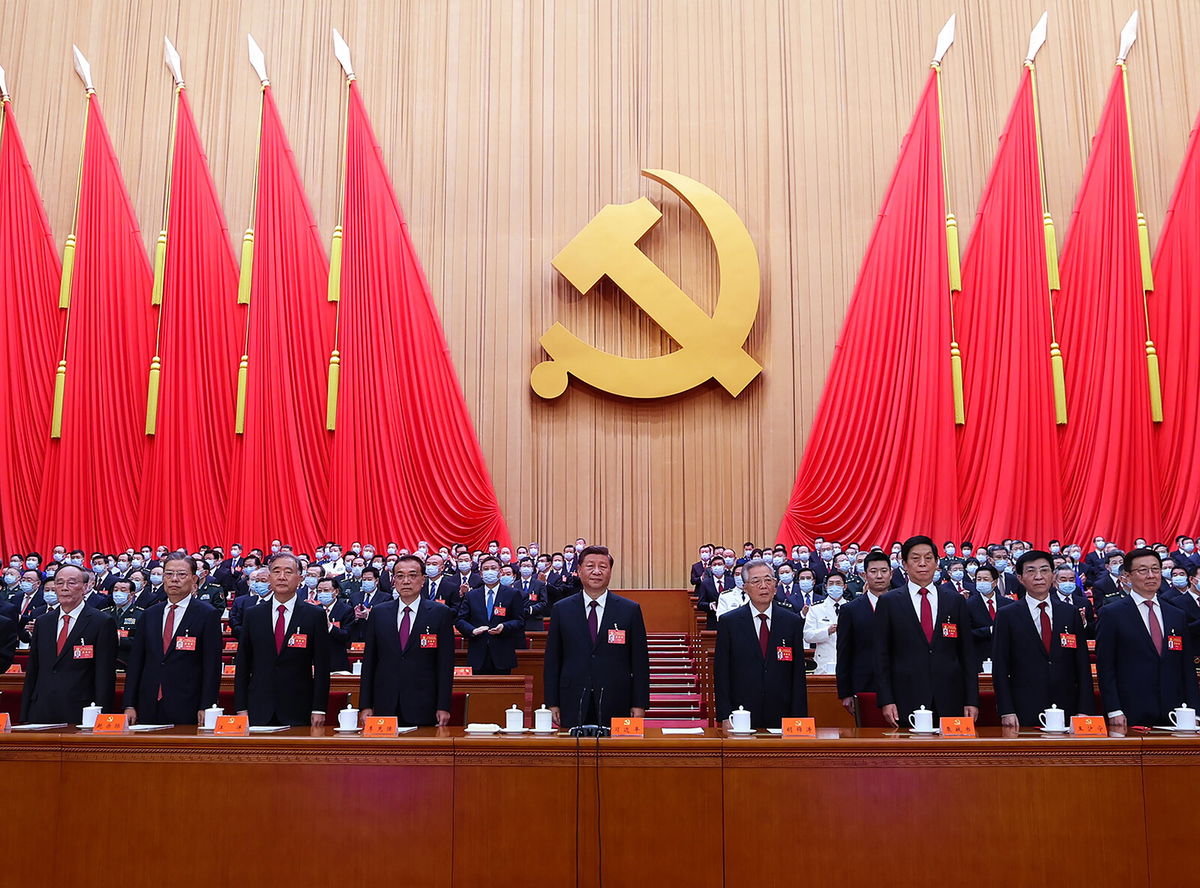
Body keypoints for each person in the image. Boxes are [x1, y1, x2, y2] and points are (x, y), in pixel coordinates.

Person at [874, 536, 979, 726]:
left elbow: (967, 655)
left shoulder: (955, 601)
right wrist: (886, 700)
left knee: (951, 755)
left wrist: (971, 699)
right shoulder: (889, 602)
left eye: (928, 558)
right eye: (915, 558)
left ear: (937, 563)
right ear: (904, 564)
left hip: (951, 696)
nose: (922, 564)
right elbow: (881, 655)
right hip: (906, 696)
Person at [543, 545, 650, 729]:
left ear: (610, 571)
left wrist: (639, 704)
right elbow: (553, 659)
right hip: (572, 698)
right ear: (579, 570)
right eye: (590, 566)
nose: (596, 571)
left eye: (603, 566)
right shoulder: (562, 609)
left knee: (614, 755)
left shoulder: (629, 610)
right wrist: (552, 702)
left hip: (617, 699)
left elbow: (640, 661)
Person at [1096, 548, 1200, 731]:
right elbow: (1106, 667)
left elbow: (1187, 668)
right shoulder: (1112, 614)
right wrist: (1114, 709)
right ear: (1127, 576)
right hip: (1131, 711)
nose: (1151, 575)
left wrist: (1194, 710)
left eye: (1155, 569)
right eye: (1143, 570)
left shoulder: (1176, 614)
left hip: (1175, 712)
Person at [991, 550, 1093, 728]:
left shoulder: (1069, 613)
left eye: (1044, 570)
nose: (1039, 577)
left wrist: (1084, 709)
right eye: (1031, 571)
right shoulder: (1007, 615)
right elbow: (1000, 666)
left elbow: (1082, 665)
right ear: (1020, 578)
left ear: (1053, 576)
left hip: (1067, 704)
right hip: (1024, 706)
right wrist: (1006, 710)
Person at [233, 553, 331, 727]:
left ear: (300, 578)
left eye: (288, 572)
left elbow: (322, 666)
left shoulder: (314, 615)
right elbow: (243, 665)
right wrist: (241, 707)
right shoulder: (253, 614)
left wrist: (319, 708)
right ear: (269, 576)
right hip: (259, 707)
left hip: (299, 707)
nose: (281, 577)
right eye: (276, 571)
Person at [123, 554, 222, 726]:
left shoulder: (207, 614)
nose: (174, 579)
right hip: (149, 703)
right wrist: (129, 704)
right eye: (169, 574)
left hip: (188, 703)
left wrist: (207, 706)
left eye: (181, 574)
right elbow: (136, 662)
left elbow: (211, 665)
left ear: (194, 579)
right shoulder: (149, 614)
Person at [359, 555, 454, 726]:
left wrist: (443, 705)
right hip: (384, 703)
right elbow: (369, 662)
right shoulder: (379, 613)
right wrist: (365, 705)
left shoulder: (440, 613)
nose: (406, 581)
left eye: (412, 575)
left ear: (423, 579)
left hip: (424, 703)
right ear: (393, 580)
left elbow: (445, 664)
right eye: (400, 576)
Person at [714, 558, 807, 728]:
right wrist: (724, 714)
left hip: (783, 712)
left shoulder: (791, 622)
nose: (763, 586)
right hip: (741, 713)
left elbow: (798, 673)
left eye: (768, 580)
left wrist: (798, 716)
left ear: (775, 584)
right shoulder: (729, 622)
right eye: (756, 581)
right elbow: (722, 672)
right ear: (745, 587)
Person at [19, 564, 117, 724]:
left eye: (72, 583)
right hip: (41, 710)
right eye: (59, 583)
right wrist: (25, 715)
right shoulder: (43, 622)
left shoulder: (102, 622)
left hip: (81, 711)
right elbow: (33, 671)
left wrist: (102, 717)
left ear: (85, 587)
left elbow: (104, 675)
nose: (64, 588)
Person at [836, 551, 891, 714]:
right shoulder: (850, 610)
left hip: (900, 685)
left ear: (891, 573)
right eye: (873, 572)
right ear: (864, 574)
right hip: (865, 685)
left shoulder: (904, 606)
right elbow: (844, 652)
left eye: (884, 571)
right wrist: (845, 693)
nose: (879, 576)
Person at [454, 556, 524, 675]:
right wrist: (473, 630)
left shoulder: (512, 594)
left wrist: (504, 626)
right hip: (478, 653)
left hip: (502, 653)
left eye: (493, 568)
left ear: (500, 572)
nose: (489, 571)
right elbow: (460, 620)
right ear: (481, 573)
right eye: (486, 569)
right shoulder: (472, 595)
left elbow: (520, 621)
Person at [966, 564, 1015, 673]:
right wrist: (990, 630)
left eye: (985, 579)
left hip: (1006, 655)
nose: (981, 582)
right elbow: (965, 633)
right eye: (979, 579)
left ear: (994, 582)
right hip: (980, 656)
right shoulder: (968, 605)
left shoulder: (1008, 604)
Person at [803, 571, 847, 674]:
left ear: (845, 587)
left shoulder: (852, 607)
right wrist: (827, 631)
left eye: (838, 583)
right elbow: (808, 636)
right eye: (831, 584)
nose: (834, 586)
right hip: (824, 662)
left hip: (847, 661)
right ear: (826, 587)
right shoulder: (815, 609)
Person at [100, 578, 143, 670]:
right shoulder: (104, 613)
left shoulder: (140, 614)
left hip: (128, 663)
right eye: (115, 590)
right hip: (106, 662)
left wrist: (118, 639)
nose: (118, 593)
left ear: (131, 594)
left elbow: (141, 641)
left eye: (123, 590)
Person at [315, 577, 354, 673]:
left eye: (326, 590)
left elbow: (346, 636)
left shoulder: (346, 610)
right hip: (316, 660)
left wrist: (329, 626)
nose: (322, 593)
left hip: (336, 661)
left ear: (336, 592)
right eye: (319, 591)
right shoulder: (314, 610)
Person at [694, 560, 733, 630]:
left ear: (724, 567)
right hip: (713, 621)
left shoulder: (732, 581)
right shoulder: (705, 583)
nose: (717, 566)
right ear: (711, 568)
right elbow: (700, 604)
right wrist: (710, 605)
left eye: (720, 564)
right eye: (714, 565)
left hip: (730, 620)